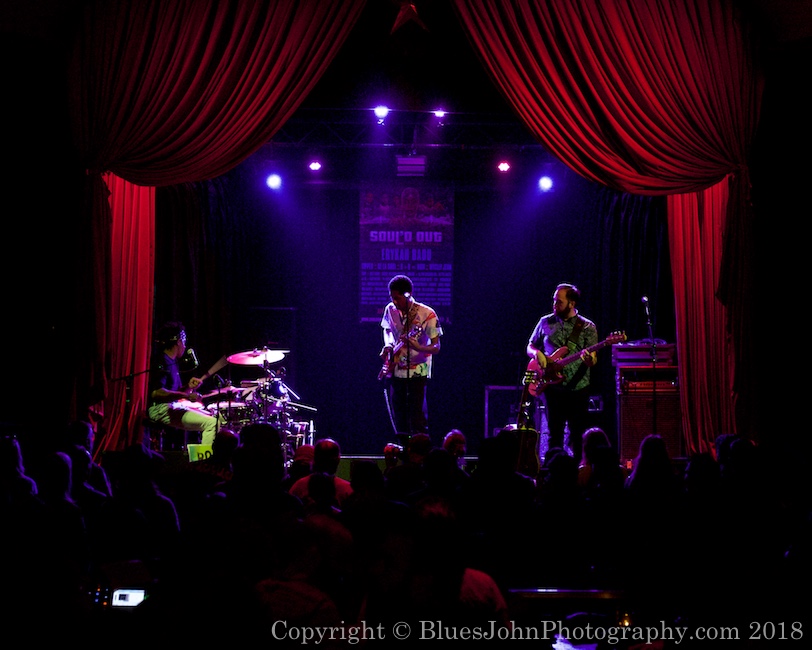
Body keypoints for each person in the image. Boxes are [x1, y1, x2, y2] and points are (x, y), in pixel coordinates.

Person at [526, 282, 598, 463]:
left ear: (572, 303)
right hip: (552, 388)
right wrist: (537, 354)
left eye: (559, 302)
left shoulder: (588, 327)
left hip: (578, 388)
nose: (554, 305)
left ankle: (578, 476)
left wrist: (590, 359)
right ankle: (552, 473)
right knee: (554, 435)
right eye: (554, 301)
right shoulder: (545, 322)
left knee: (577, 435)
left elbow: (593, 358)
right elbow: (530, 345)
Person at [379, 275, 443, 436]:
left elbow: (436, 346)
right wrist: (388, 344)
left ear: (407, 295)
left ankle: (420, 453)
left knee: (417, 415)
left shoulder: (427, 313)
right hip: (396, 368)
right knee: (399, 414)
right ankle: (403, 451)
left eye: (397, 298)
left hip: (418, 371)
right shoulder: (390, 310)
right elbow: (386, 329)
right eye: (392, 298)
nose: (394, 302)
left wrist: (418, 346)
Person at [146, 321, 219, 447]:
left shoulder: (173, 362)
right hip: (159, 409)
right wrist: (186, 396)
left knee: (216, 418)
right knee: (212, 423)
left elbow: (174, 392)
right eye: (184, 342)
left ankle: (200, 457)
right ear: (179, 341)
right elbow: (156, 392)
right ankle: (205, 463)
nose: (185, 346)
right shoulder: (162, 361)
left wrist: (188, 387)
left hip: (170, 406)